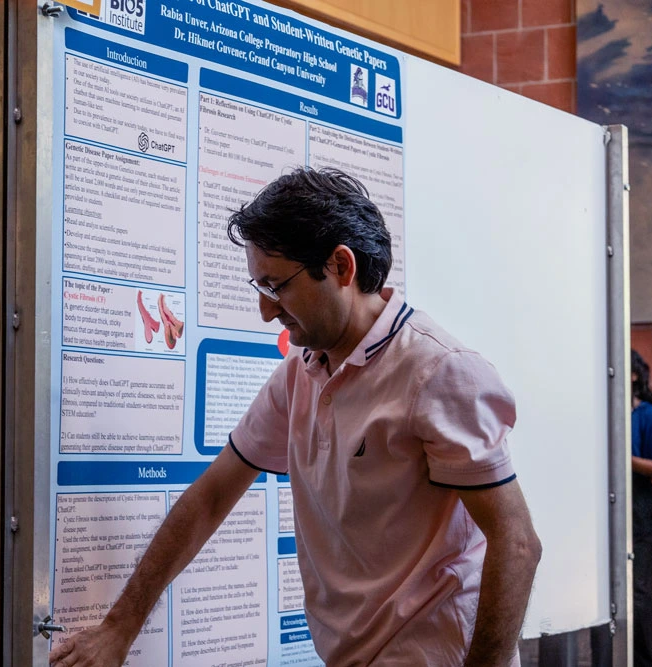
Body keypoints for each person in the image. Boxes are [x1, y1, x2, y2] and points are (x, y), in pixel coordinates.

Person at [50, 167, 542, 667]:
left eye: (276, 286)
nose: (267, 312)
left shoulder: (439, 372)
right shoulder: (300, 375)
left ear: (341, 268)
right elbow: (211, 496)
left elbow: (517, 544)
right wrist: (119, 627)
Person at [590, 349, 652, 667]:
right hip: (607, 502)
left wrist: (622, 455)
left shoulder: (648, 414)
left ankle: (649, 662)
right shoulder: (606, 413)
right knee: (604, 584)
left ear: (634, 375)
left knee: (637, 588)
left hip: (638, 503)